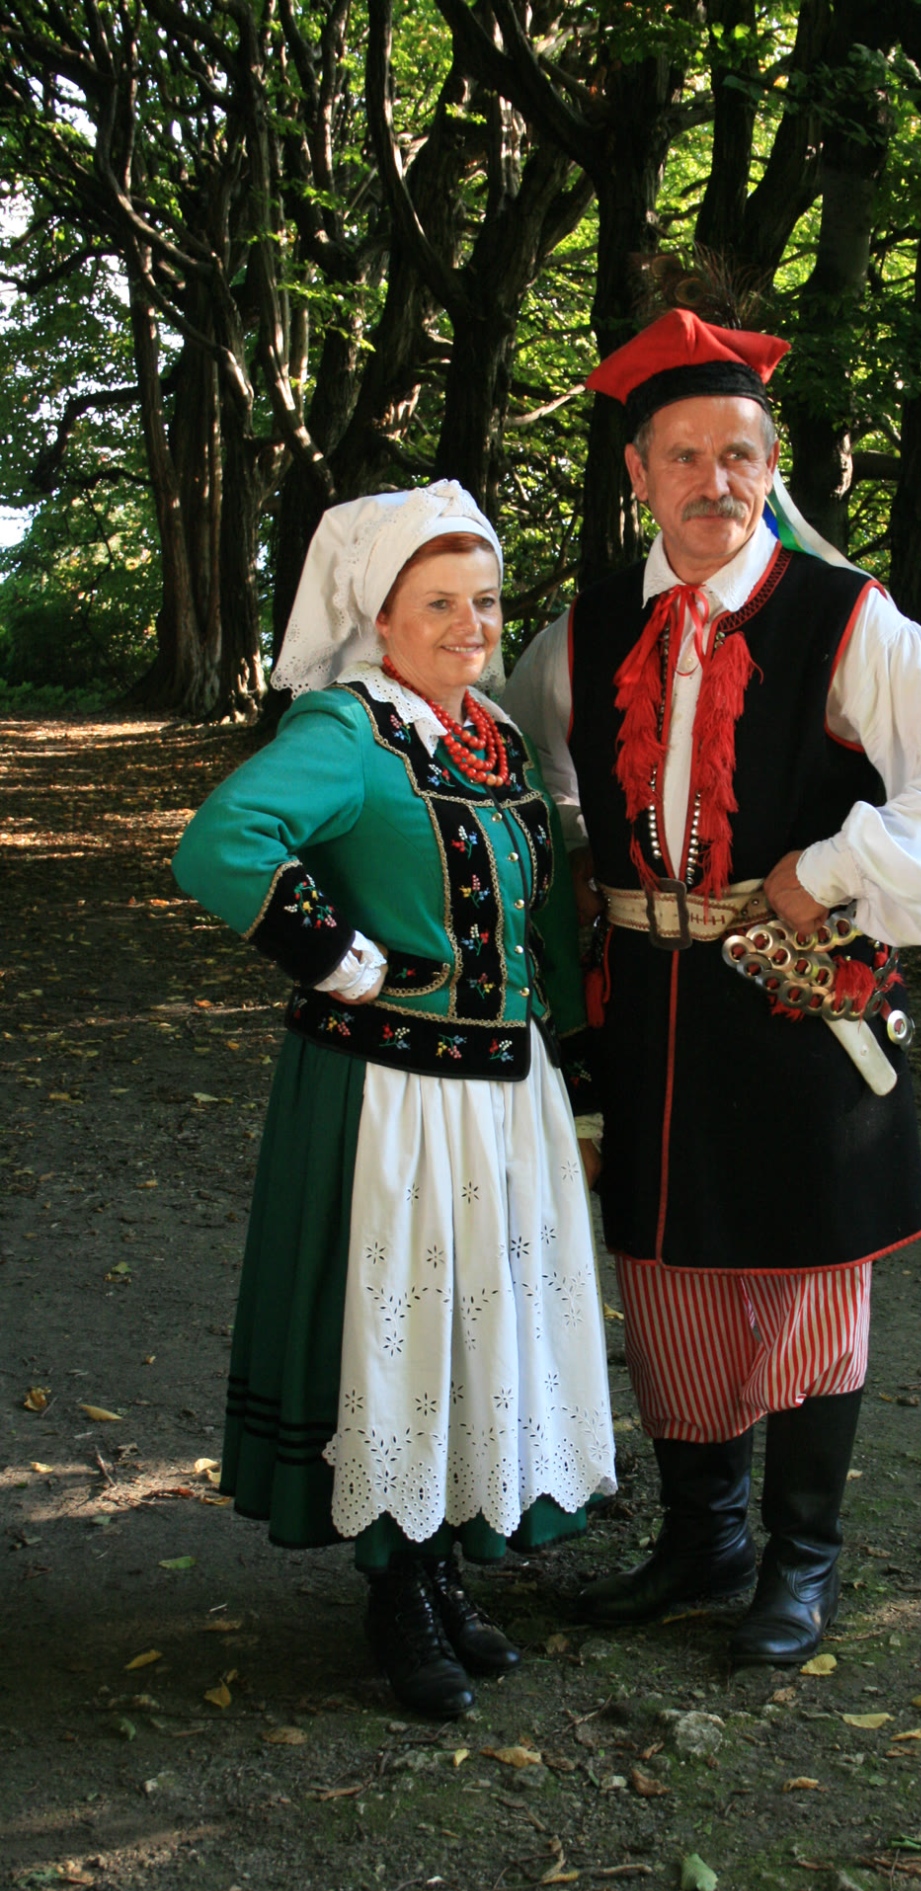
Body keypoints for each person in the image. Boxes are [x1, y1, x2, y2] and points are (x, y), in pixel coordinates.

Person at [504, 307, 921, 1666]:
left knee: (805, 1278)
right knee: (666, 1275)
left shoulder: (845, 618)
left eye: (738, 453)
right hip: (645, 1012)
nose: (713, 481)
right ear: (638, 474)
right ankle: (701, 1541)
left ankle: (799, 1559)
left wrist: (835, 867)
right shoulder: (585, 630)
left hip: (795, 999)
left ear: (771, 463)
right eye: (683, 456)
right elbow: (524, 775)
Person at [173, 482, 615, 1718]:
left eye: (486, 600)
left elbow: (544, 923)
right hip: (393, 1102)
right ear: (377, 618)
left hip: (506, 1096)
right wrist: (339, 957)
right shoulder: (349, 732)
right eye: (439, 604)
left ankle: (445, 1571)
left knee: (482, 1329)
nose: (472, 625)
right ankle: (397, 1593)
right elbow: (221, 841)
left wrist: (580, 1083)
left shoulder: (495, 737)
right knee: (403, 1333)